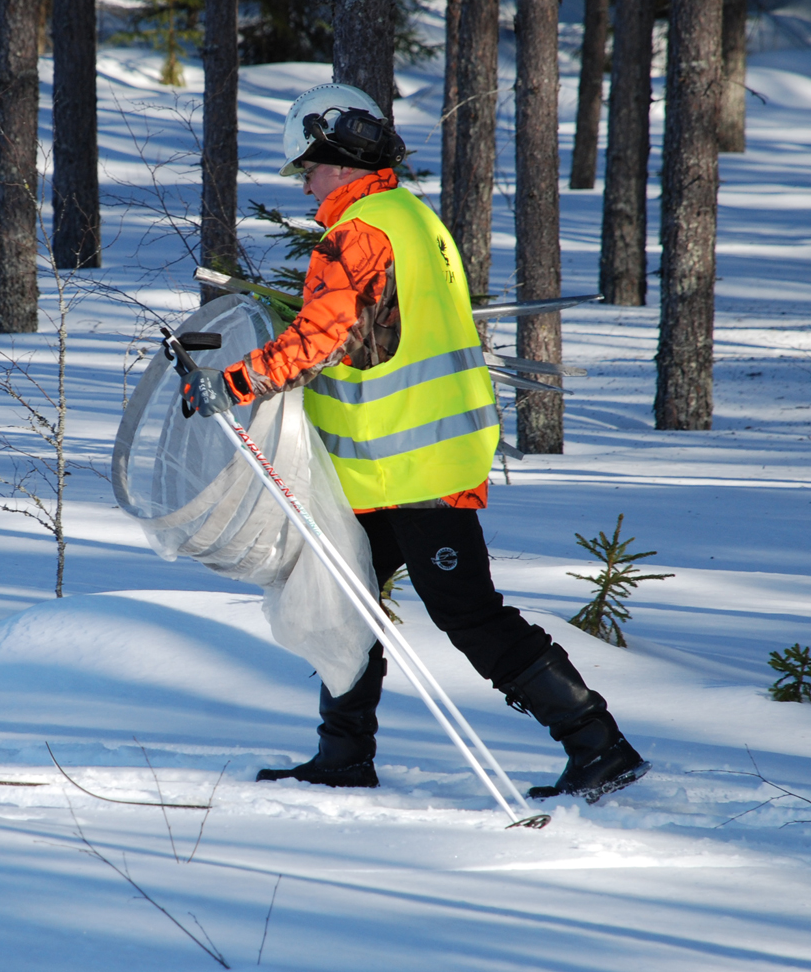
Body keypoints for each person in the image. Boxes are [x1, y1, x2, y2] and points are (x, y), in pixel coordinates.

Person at [181, 83, 647, 802]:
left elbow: (324, 335)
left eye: (308, 166)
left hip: (414, 466)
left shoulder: (362, 230)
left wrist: (235, 383)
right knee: (345, 599)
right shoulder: (412, 220)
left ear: (339, 161)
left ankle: (599, 746)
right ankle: (342, 756)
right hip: (390, 466)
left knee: (466, 613)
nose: (304, 182)